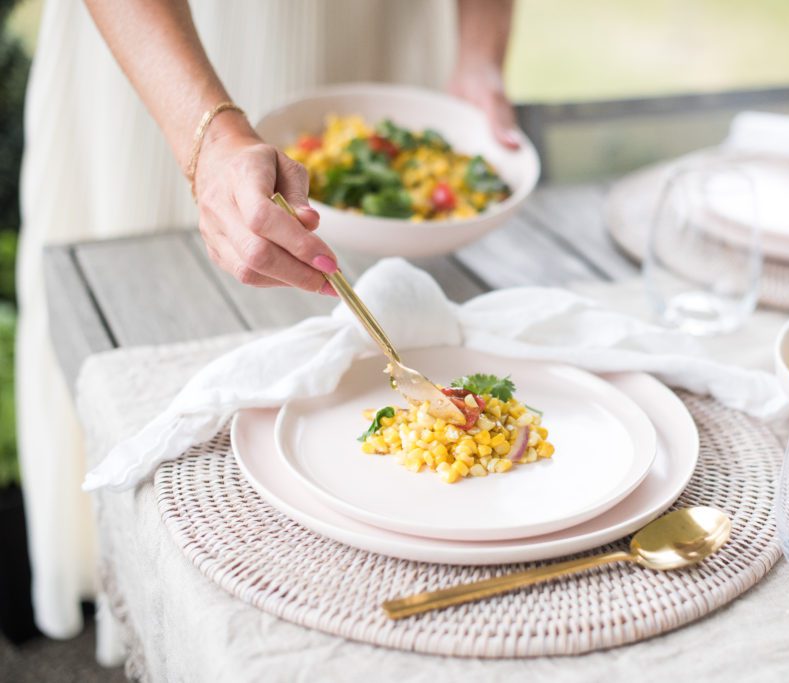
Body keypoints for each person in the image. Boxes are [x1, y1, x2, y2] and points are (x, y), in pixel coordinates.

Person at [17, 0, 517, 643]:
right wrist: (210, 139)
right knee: (147, 321)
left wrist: (479, 55)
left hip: (381, 29)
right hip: (167, 51)